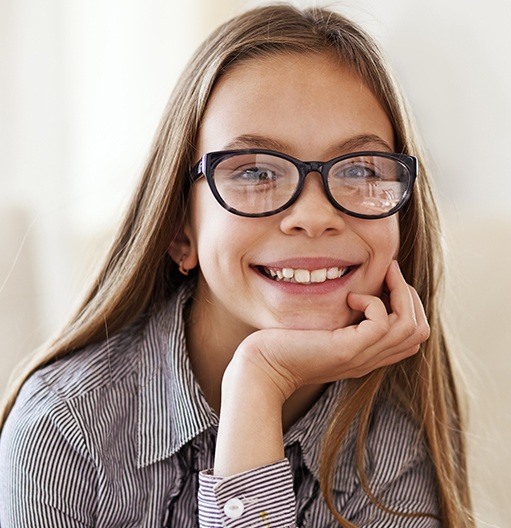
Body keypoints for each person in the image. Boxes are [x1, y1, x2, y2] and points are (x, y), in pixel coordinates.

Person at [0, 4, 475, 527]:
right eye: (253, 171)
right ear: (179, 229)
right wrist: (261, 379)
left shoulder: (390, 441)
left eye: (360, 168)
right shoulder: (62, 429)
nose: (314, 216)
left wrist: (259, 384)